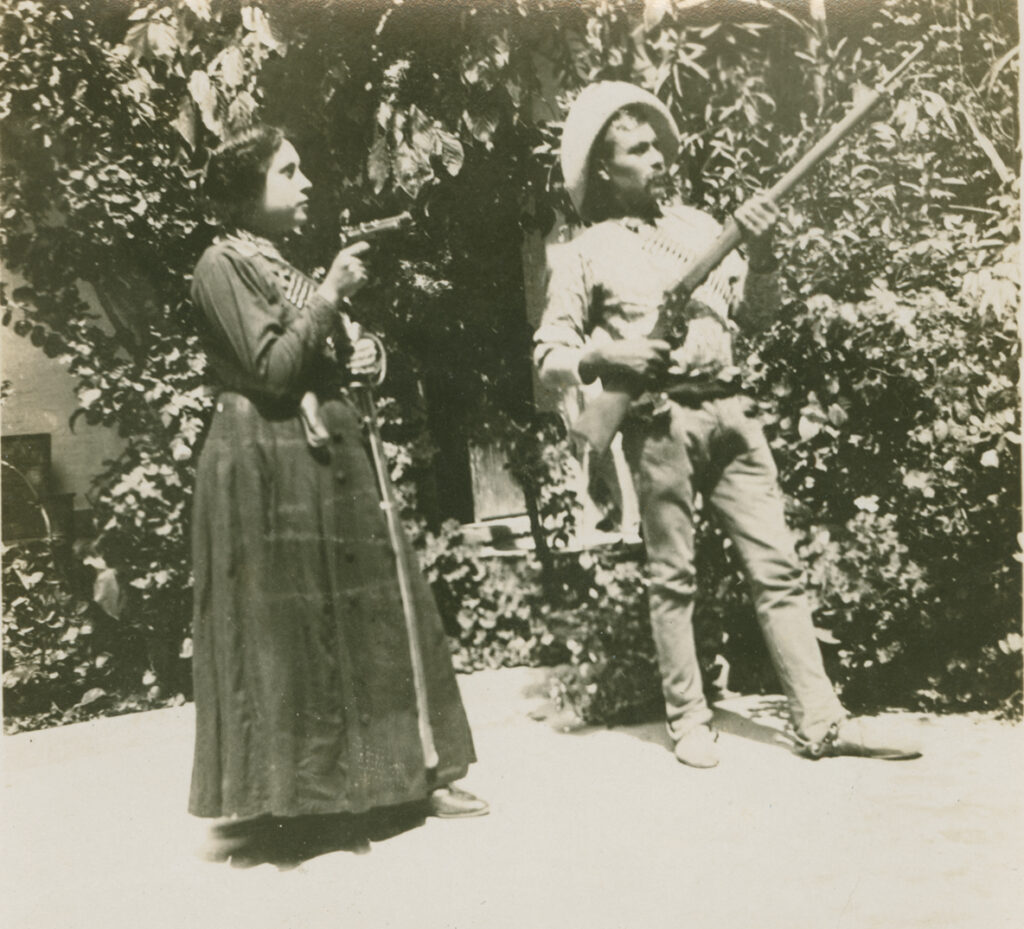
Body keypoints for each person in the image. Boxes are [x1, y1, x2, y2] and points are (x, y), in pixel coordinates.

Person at [534, 82, 921, 768]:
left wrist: (763, 254)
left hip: (733, 413)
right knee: (672, 577)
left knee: (778, 568)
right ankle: (688, 719)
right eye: (637, 150)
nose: (657, 158)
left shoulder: (701, 228)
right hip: (659, 421)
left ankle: (822, 722)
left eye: (658, 146)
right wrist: (609, 355)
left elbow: (756, 315)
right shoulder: (586, 252)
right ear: (605, 171)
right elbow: (549, 355)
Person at [188, 124, 487, 858]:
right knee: (297, 631)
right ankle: (306, 799)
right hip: (269, 465)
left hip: (323, 458)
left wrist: (367, 351)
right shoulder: (221, 265)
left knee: (372, 616)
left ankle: (405, 778)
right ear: (246, 190)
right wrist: (329, 295)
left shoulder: (273, 260)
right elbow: (271, 370)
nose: (306, 183)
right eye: (288, 171)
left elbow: (323, 350)